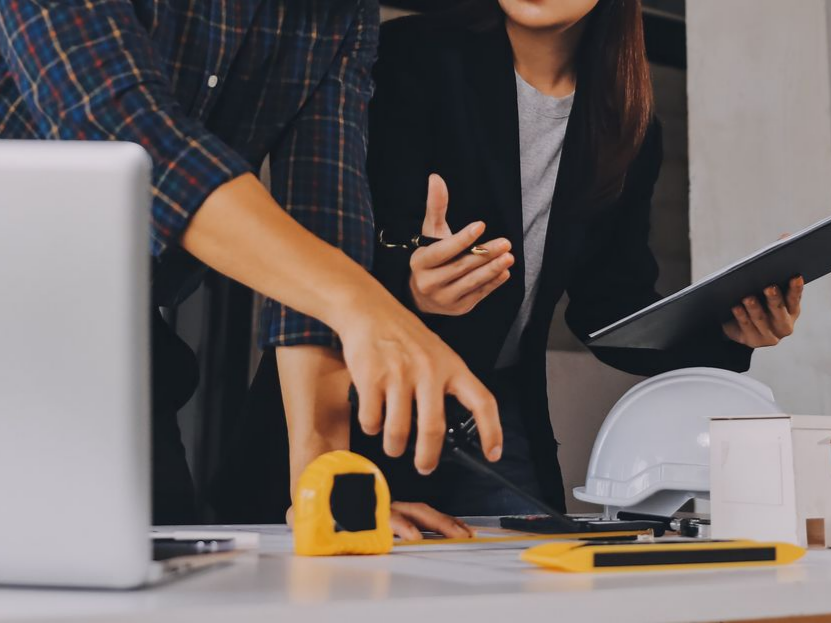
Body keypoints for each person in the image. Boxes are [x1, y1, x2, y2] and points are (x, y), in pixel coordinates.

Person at [0, 0, 501, 533]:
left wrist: (325, 483)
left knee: (154, 578)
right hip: (20, 300)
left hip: (113, 346)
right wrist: (365, 304)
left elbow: (322, 217)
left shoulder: (342, 18)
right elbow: (127, 130)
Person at [359, 0, 805, 516]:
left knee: (532, 581)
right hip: (370, 389)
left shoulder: (627, 127)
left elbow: (609, 307)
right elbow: (331, 234)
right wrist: (407, 284)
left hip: (492, 408)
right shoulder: (409, 55)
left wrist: (727, 333)